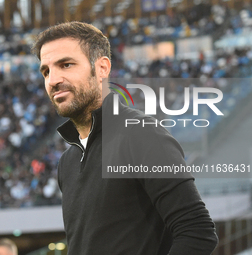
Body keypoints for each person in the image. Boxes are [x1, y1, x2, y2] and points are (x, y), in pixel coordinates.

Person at [32, 21, 218, 255]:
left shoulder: (141, 134)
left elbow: (197, 232)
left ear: (102, 68)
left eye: (66, 65)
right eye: (46, 71)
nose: (53, 80)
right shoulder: (68, 161)